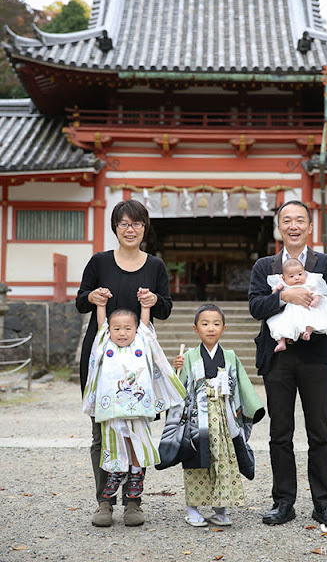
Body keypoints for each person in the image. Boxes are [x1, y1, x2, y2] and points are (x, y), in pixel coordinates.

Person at [248, 200, 327, 529]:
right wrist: (284, 297)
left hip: (315, 356)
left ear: (309, 227)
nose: (293, 225)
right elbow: (255, 306)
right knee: (280, 432)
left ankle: (323, 503)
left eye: (300, 220)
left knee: (319, 431)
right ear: (279, 227)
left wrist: (309, 317)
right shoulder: (265, 266)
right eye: (287, 220)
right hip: (278, 358)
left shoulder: (326, 264)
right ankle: (283, 501)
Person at [76, 199, 173, 527]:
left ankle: (133, 502)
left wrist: (154, 300)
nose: (130, 229)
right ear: (115, 227)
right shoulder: (99, 262)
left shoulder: (155, 266)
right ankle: (104, 502)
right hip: (101, 359)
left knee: (136, 430)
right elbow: (80, 301)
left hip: (139, 364)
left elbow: (165, 309)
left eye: (136, 223)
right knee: (102, 432)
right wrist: (91, 297)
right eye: (123, 223)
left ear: (145, 228)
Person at [164, 303, 264, 527]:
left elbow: (242, 387)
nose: (211, 328)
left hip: (223, 416)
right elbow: (179, 387)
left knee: (223, 461)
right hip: (197, 419)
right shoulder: (188, 356)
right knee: (196, 461)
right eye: (205, 324)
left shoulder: (230, 356)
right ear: (195, 329)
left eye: (216, 324)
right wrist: (175, 368)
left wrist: (250, 410)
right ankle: (192, 509)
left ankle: (220, 508)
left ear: (224, 328)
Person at [82, 292, 185, 509]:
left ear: (136, 329)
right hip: (112, 407)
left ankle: (136, 474)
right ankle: (116, 472)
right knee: (113, 440)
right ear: (109, 330)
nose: (122, 333)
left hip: (138, 405)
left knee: (137, 439)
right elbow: (101, 324)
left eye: (128, 328)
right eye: (116, 328)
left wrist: (144, 306)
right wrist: (101, 305)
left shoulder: (141, 339)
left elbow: (145, 324)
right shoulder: (105, 341)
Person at [267, 258, 327, 352]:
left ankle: (307, 333)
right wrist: (278, 290)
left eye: (300, 274)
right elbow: (273, 296)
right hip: (289, 313)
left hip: (306, 309)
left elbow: (318, 293)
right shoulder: (284, 285)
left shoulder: (309, 284)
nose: (297, 278)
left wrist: (315, 301)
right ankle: (281, 342)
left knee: (310, 320)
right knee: (278, 324)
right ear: (283, 278)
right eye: (291, 276)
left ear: (305, 274)